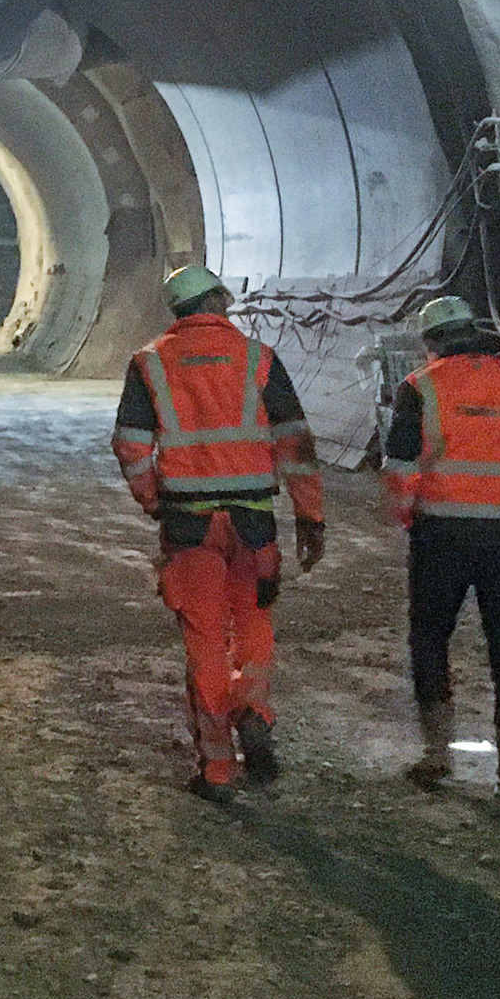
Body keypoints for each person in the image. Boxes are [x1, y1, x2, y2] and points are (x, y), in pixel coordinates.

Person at [112, 263, 325, 800]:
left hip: (189, 526)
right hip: (255, 524)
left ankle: (218, 771)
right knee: (252, 624)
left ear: (177, 311)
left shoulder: (150, 363)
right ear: (222, 300)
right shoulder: (258, 358)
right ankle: (253, 707)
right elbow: (295, 443)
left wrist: (154, 500)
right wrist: (310, 515)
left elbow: (131, 446)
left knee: (205, 641)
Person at [384, 294, 500, 809]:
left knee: (430, 637)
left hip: (443, 534)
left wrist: (406, 519)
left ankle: (438, 753)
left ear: (431, 342)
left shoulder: (420, 387)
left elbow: (400, 468)